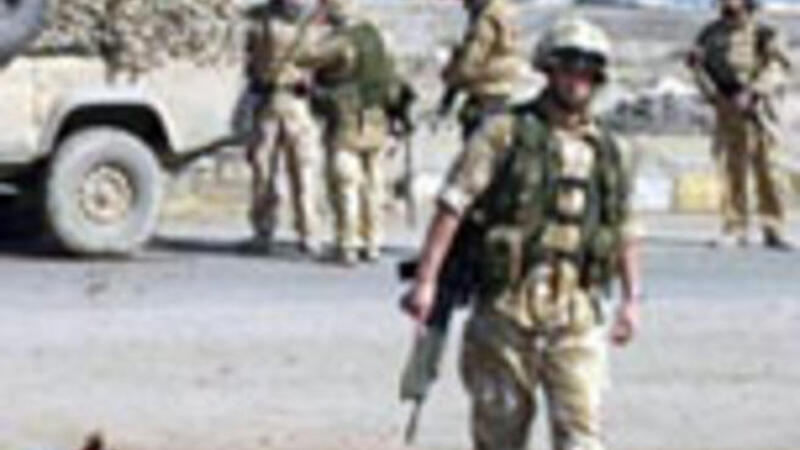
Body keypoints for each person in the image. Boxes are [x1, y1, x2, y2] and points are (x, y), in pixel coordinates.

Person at [403, 17, 643, 450]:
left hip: (577, 312)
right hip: (507, 309)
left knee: (582, 436)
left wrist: (631, 300)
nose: (577, 79)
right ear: (549, 70)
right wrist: (426, 282)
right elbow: (453, 205)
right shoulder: (505, 133)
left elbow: (626, 225)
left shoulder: (611, 150)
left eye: (588, 70)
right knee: (500, 434)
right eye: (568, 67)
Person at [687, 0, 792, 249]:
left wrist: (755, 91)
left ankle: (773, 226)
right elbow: (698, 68)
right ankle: (735, 225)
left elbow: (780, 68)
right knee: (732, 169)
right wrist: (714, 95)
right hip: (728, 111)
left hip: (758, 112)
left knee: (769, 170)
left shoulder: (764, 33)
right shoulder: (710, 34)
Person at [297, 0, 396, 265]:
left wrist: (309, 25)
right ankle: (373, 242)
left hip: (346, 121)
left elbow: (302, 56)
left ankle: (347, 243)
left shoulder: (340, 42)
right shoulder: (376, 36)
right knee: (374, 185)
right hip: (377, 118)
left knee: (345, 184)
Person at [239, 0, 323, 255]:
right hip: (296, 103)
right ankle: (308, 233)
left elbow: (252, 63)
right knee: (302, 171)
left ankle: (265, 230)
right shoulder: (313, 28)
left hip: (271, 102)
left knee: (266, 170)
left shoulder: (261, 24)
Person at [437, 0, 525, 137]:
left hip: (483, 98)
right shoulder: (505, 13)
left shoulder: (485, 20)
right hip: (501, 94)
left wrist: (450, 75)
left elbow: (469, 64)